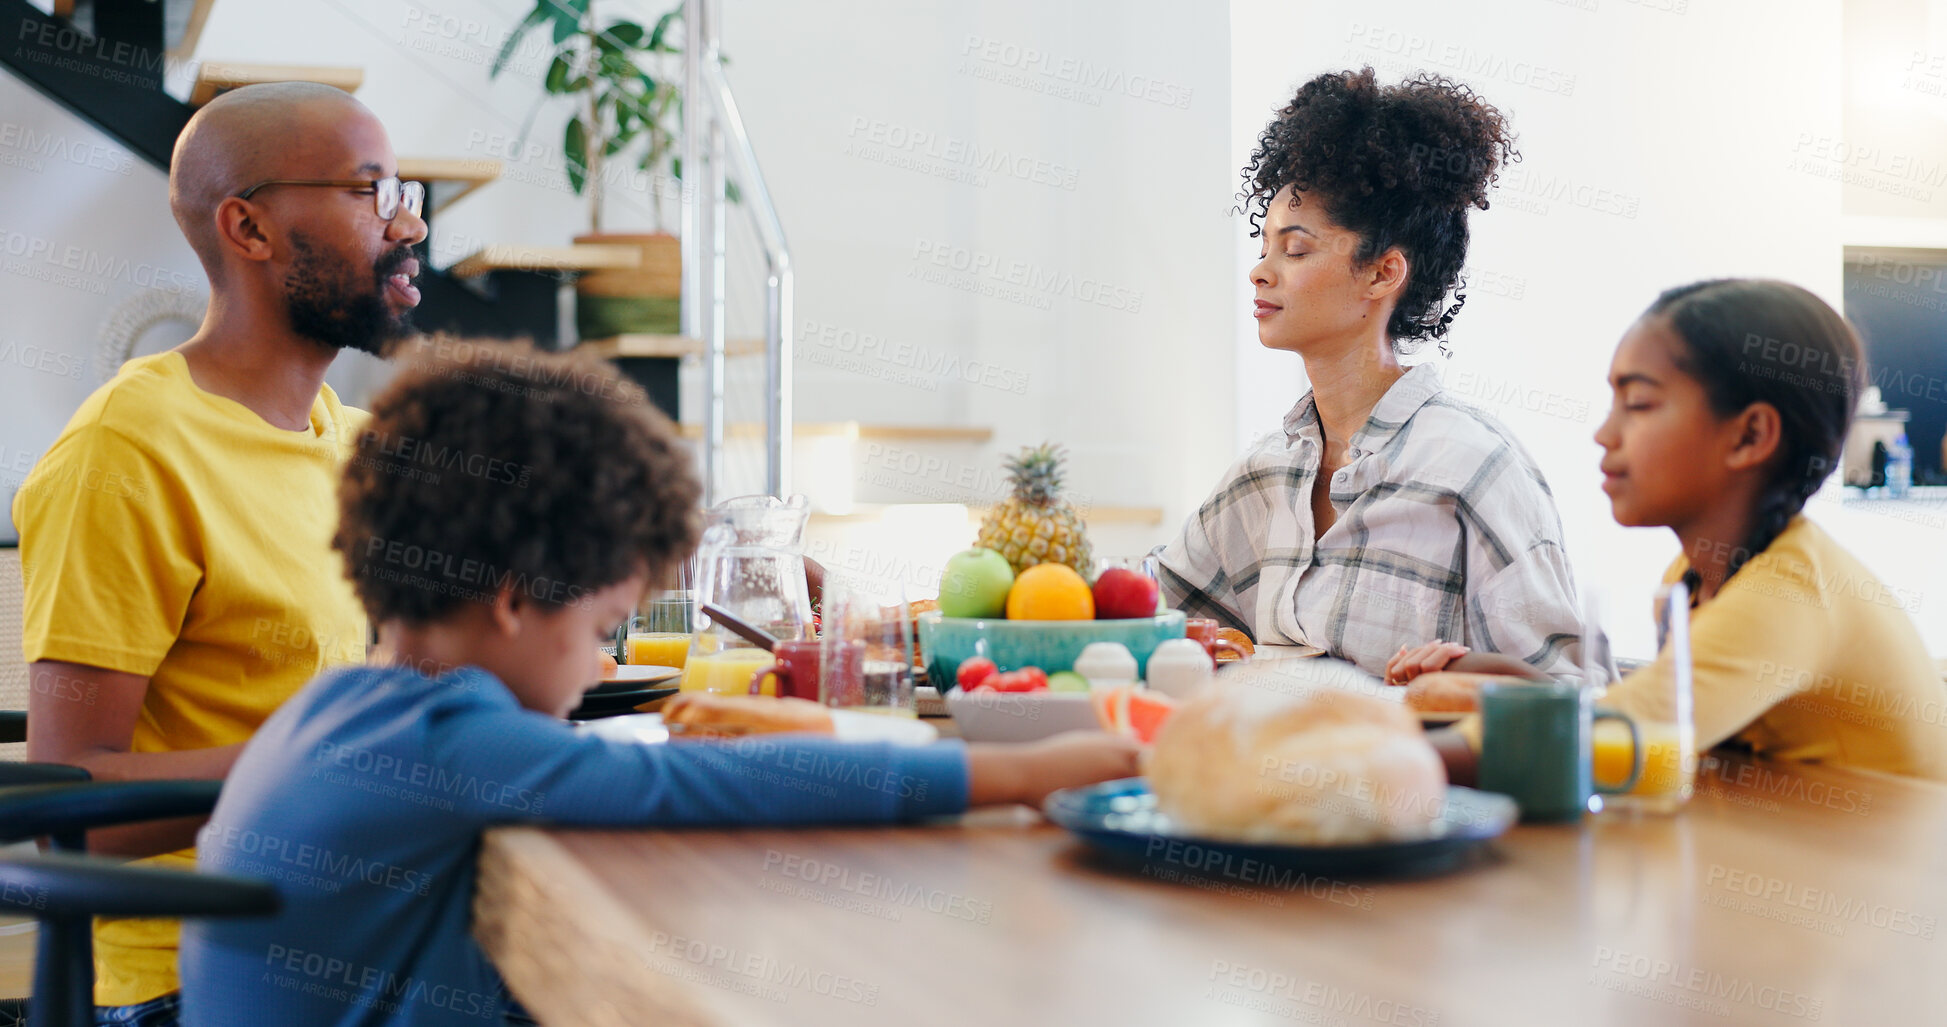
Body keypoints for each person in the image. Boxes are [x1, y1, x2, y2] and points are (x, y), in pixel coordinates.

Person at [178, 344, 1140, 1027]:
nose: (600, 666)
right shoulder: (450, 743)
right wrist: (1017, 773)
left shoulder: (344, 701)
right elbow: (698, 787)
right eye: (600, 631)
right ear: (516, 601)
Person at [11, 82, 427, 1022]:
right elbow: (68, 810)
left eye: (405, 190)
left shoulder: (348, 435)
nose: (408, 224)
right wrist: (334, 756)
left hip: (357, 938)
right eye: (371, 191)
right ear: (249, 229)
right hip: (193, 972)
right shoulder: (128, 447)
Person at [1400, 280, 1947, 782]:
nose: (1603, 433)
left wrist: (1364, 759)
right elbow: (1654, 720)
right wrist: (1498, 674)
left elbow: (1610, 740)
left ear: (1750, 435)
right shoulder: (1691, 577)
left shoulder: (1787, 591)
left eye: (1638, 403)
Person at [1153, 67, 1588, 679]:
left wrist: (1467, 675)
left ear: (1383, 274)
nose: (1260, 271)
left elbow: (1572, 697)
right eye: (1264, 246)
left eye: (1296, 249)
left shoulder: (1470, 469)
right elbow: (1147, 611)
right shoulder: (1265, 475)